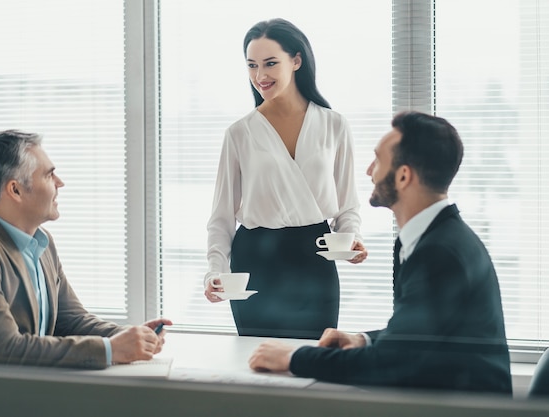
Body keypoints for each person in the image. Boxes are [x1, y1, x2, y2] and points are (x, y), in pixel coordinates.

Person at [248, 111, 513, 394]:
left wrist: (292, 357)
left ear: (402, 176)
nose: (369, 170)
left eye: (378, 160)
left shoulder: (440, 252)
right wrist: (363, 340)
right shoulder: (434, 237)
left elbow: (389, 364)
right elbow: (417, 336)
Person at [0, 130, 172, 369]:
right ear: (15, 190)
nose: (60, 183)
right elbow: (4, 349)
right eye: (49, 175)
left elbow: (70, 320)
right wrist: (110, 349)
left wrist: (130, 336)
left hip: (20, 386)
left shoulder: (41, 242)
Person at [204, 18, 367, 340]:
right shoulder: (240, 133)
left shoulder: (334, 125)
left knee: (315, 360)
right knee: (257, 360)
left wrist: (351, 239)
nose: (259, 76)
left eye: (270, 63)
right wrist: (216, 270)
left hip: (314, 258)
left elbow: (347, 206)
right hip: (255, 261)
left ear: (296, 60)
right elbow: (221, 217)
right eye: (251, 65)